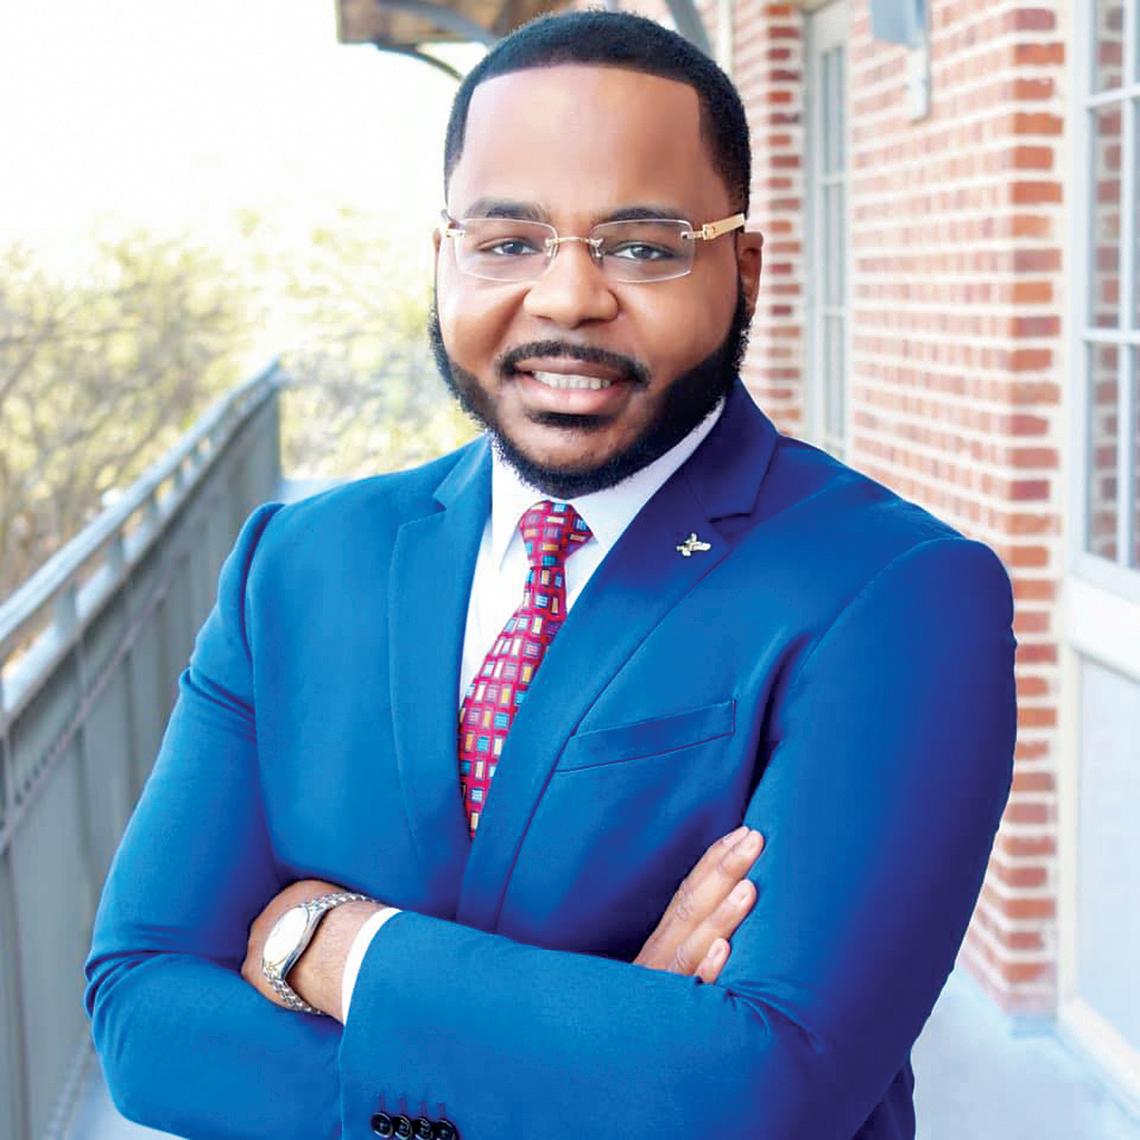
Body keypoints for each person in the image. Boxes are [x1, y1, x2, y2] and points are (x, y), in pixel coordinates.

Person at [85, 10, 1017, 1139]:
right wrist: (607, 1048)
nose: (569, 298)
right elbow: (141, 1016)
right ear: (445, 256)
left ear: (743, 271)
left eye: (644, 245)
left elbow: (761, 1093)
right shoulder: (295, 566)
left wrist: (331, 944)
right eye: (508, 240)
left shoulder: (900, 594)